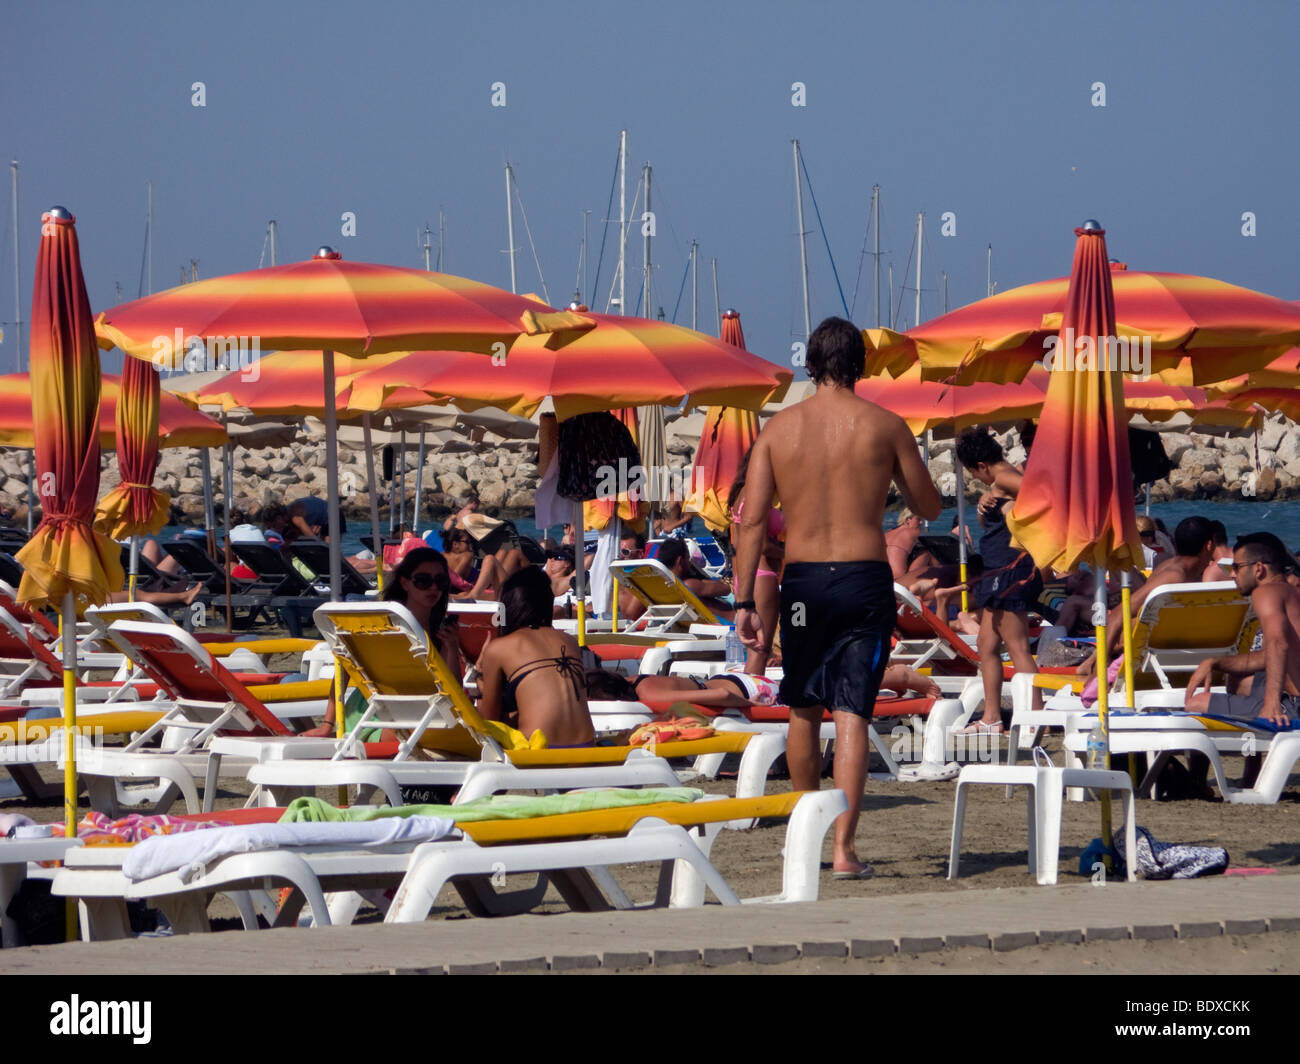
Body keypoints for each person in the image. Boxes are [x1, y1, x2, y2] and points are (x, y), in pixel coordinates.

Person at [734, 316, 942, 879]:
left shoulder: (778, 430)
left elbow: (751, 522)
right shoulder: (887, 424)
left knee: (802, 708)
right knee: (852, 713)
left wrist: (742, 601)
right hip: (862, 579)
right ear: (861, 364)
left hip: (802, 583)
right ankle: (844, 851)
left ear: (810, 363)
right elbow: (930, 505)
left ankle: (807, 834)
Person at [302, 547, 461, 739]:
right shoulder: (382, 625)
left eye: (440, 581)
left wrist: (452, 648)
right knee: (417, 734)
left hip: (424, 713)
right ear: (404, 583)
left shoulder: (442, 630)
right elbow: (344, 667)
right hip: (376, 714)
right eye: (423, 581)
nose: (433, 588)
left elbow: (454, 693)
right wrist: (327, 724)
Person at [954, 428, 1041, 732]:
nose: (976, 479)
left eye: (972, 473)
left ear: (981, 465)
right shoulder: (998, 483)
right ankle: (991, 718)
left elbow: (1041, 495)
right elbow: (992, 520)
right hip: (996, 569)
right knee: (986, 644)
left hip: (1011, 568)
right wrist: (983, 505)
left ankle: (1035, 717)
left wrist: (1009, 509)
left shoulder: (1004, 477)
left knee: (1017, 646)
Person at [1185, 534, 1300, 730]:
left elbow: (1278, 644)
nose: (1232, 575)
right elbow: (1270, 656)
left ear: (1259, 568)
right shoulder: (1289, 593)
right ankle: (1252, 759)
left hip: (1293, 706)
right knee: (1240, 683)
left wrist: (1271, 705)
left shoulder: (1266, 592)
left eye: (1236, 567)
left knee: (1195, 705)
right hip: (1292, 698)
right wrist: (1216, 662)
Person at [475, 566, 595, 747]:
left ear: (508, 607)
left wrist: (480, 674)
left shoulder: (499, 648)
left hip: (540, 754)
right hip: (586, 749)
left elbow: (490, 723)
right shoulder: (568, 641)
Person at [728, 445, 784, 674]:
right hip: (763, 576)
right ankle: (753, 702)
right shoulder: (755, 493)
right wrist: (791, 551)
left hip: (747, 576)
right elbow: (760, 544)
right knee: (760, 649)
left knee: (756, 650)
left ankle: (749, 699)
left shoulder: (742, 492)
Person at [655, 538, 733, 619]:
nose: (690, 563)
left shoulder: (661, 587)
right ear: (680, 561)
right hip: (729, 622)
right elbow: (726, 589)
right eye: (688, 558)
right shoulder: (688, 585)